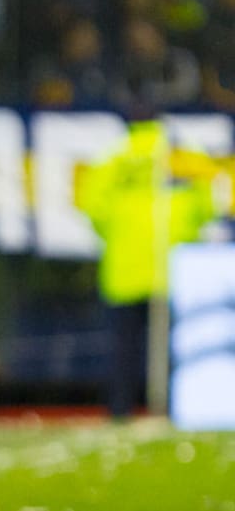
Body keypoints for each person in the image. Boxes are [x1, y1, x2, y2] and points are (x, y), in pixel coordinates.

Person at [80, 115, 216, 418]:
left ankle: (120, 412)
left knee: (124, 348)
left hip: (124, 267)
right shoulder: (184, 154)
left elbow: (92, 207)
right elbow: (208, 205)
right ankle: (175, 410)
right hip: (173, 266)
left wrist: (119, 235)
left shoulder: (113, 157)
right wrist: (185, 230)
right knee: (175, 347)